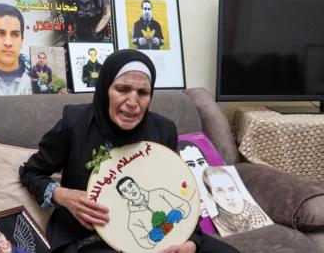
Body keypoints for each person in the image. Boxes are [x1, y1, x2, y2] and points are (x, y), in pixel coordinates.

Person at [20, 49, 240, 253]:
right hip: (89, 237)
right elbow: (30, 172)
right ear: (105, 88)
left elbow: (179, 190)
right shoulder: (74, 123)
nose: (133, 102)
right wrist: (64, 195)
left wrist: (190, 241)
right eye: (122, 89)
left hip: (159, 235)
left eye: (142, 92)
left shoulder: (163, 130)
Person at [116, 176, 191, 249]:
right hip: (168, 249)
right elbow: (143, 242)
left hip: (189, 236)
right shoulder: (133, 221)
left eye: (130, 185)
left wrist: (180, 211)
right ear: (123, 196)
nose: (130, 190)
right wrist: (150, 239)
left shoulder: (159, 193)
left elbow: (185, 205)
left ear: (135, 184)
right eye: (125, 191)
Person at [202, 167, 272, 236]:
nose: (229, 197)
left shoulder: (260, 214)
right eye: (219, 191)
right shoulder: (218, 224)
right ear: (211, 196)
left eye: (231, 189)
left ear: (238, 190)